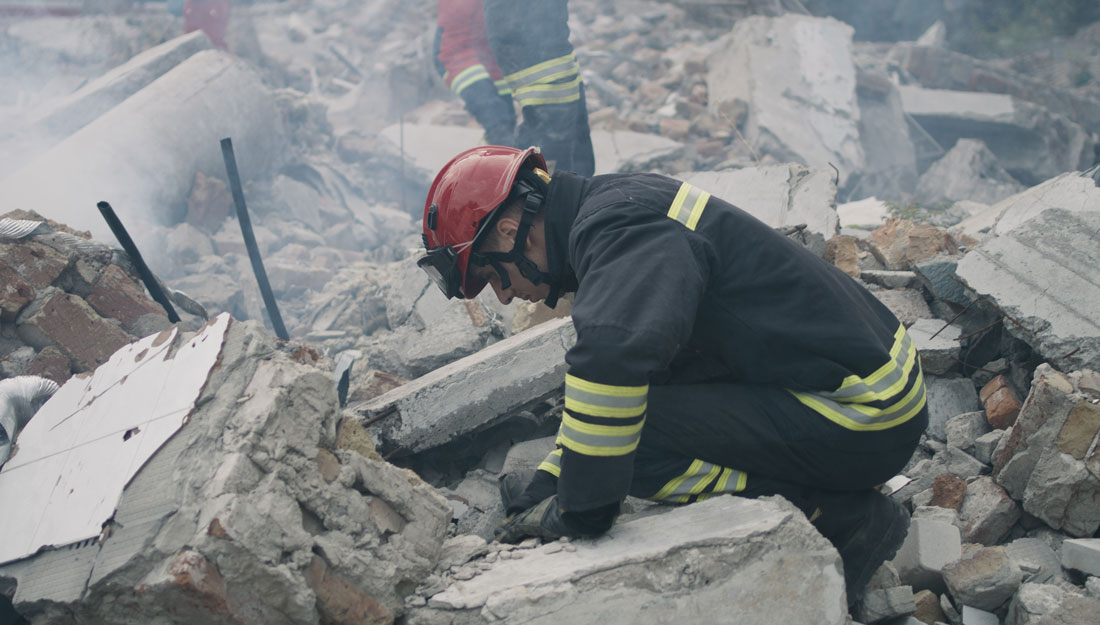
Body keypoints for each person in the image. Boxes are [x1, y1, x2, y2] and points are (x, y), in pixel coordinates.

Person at [416, 145, 928, 607]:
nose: (503, 297)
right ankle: (819, 497)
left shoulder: (619, 231)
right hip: (864, 386)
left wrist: (579, 511)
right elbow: (640, 368)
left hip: (866, 415)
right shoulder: (610, 207)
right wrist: (551, 478)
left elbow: (613, 362)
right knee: (626, 414)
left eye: (490, 277)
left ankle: (835, 518)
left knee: (631, 438)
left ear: (509, 230)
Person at [434, 0, 595, 175]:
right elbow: (457, 48)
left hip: (513, 54)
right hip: (464, 54)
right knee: (535, 151)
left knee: (575, 154)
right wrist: (497, 123)